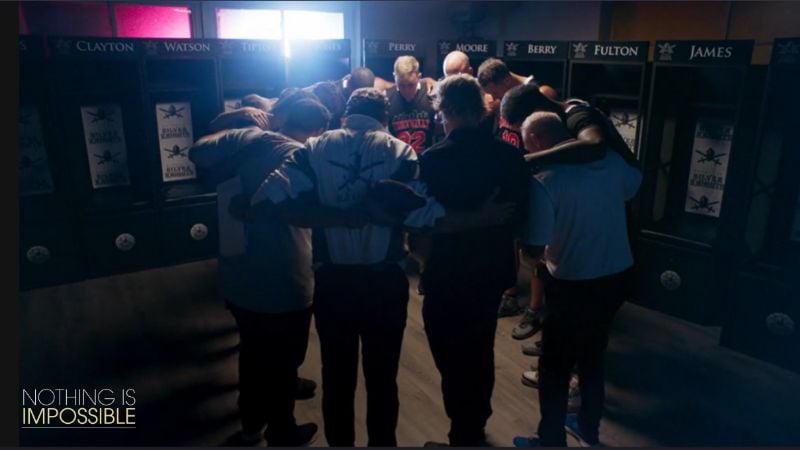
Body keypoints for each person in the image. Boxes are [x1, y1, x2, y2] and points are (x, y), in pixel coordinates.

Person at [248, 88, 417, 447]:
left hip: (334, 283)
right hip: (385, 280)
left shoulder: (314, 149)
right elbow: (425, 215)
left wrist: (333, 217)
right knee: (383, 378)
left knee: (337, 378)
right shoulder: (402, 150)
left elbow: (264, 201)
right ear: (384, 119)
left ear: (345, 117)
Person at [189, 98, 332, 446]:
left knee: (252, 350)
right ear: (318, 131)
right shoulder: (307, 158)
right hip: (287, 274)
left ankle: (251, 425)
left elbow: (196, 152)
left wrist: (239, 118)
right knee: (284, 357)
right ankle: (282, 430)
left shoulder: (244, 137)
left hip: (237, 269)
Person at [412, 74, 529, 446]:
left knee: (448, 350)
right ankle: (473, 424)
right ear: (482, 109)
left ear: (442, 110)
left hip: (447, 272)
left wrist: (424, 257)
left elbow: (421, 228)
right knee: (479, 348)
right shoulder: (510, 156)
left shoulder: (431, 160)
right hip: (493, 270)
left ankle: (462, 426)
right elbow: (519, 218)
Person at [512, 112, 641, 448]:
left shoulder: (544, 178)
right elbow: (632, 188)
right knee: (593, 354)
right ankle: (588, 427)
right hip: (618, 274)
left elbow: (535, 247)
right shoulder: (610, 159)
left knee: (554, 366)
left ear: (537, 142)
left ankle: (550, 439)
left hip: (572, 282)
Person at [386, 55, 438, 154]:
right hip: (398, 163)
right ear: (394, 77)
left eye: (411, 85)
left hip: (426, 161)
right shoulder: (387, 98)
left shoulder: (430, 93)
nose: (406, 90)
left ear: (419, 77)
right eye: (401, 85)